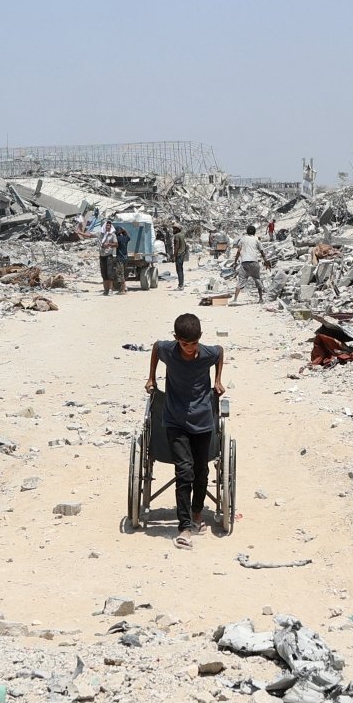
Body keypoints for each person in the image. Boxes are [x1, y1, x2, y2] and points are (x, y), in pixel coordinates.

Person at [146, 313, 226, 549]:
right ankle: (184, 527)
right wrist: (151, 378)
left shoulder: (208, 353)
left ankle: (197, 512)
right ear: (176, 339)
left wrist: (218, 380)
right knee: (184, 471)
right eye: (184, 344)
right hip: (174, 419)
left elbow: (220, 351)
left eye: (193, 344)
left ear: (199, 338)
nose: (189, 349)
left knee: (201, 469)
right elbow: (155, 348)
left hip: (202, 419)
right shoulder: (168, 350)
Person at [231, 225, 270, 304]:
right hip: (254, 262)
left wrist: (235, 262)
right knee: (257, 279)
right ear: (255, 232)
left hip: (245, 263)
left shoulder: (243, 239)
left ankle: (235, 299)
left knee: (240, 280)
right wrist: (266, 262)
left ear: (247, 231)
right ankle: (261, 299)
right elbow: (262, 252)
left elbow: (238, 251)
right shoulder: (256, 240)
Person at [99, 219, 118, 296]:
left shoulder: (112, 235)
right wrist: (80, 233)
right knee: (104, 274)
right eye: (107, 225)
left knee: (110, 273)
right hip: (102, 256)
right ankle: (105, 289)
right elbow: (91, 235)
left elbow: (116, 244)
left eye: (109, 225)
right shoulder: (101, 234)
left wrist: (109, 244)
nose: (108, 226)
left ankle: (110, 289)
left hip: (109, 256)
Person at [113, 222, 131, 294]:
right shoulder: (126, 238)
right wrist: (124, 230)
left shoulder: (117, 239)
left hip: (120, 258)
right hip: (125, 258)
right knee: (123, 274)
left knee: (120, 274)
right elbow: (128, 236)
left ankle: (123, 289)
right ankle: (123, 288)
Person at [171, 223, 189, 290]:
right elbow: (185, 245)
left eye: (174, 229)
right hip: (182, 254)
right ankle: (181, 284)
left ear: (177, 229)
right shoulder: (182, 235)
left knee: (179, 270)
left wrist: (173, 256)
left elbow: (176, 247)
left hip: (178, 255)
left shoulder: (176, 236)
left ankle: (180, 286)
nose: (173, 230)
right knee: (181, 270)